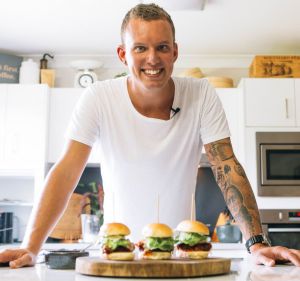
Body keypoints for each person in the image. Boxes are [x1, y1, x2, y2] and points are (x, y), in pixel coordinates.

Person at [0, 3, 300, 268]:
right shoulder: (97, 97)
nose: (153, 59)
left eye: (162, 47)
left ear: (175, 52)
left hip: (181, 253)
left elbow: (226, 167)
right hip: (116, 254)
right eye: (140, 48)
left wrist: (257, 243)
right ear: (123, 54)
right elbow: (66, 170)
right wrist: (31, 246)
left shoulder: (201, 93)